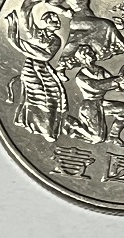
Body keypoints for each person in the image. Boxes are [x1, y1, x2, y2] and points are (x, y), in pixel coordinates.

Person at [5, 8, 73, 142]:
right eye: (53, 20)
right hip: (31, 69)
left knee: (55, 96)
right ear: (45, 22)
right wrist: (13, 29)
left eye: (58, 20)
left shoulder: (56, 40)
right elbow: (26, 11)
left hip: (43, 68)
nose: (58, 22)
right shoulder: (35, 33)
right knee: (37, 96)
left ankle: (51, 128)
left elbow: (45, 56)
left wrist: (20, 44)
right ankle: (41, 127)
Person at [71, 44, 124, 147]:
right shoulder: (80, 76)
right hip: (89, 106)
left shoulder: (100, 70)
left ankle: (113, 136)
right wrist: (117, 80)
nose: (93, 54)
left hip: (101, 103)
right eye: (89, 53)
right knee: (97, 138)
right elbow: (97, 86)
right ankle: (73, 127)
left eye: (91, 52)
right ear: (83, 58)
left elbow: (115, 85)